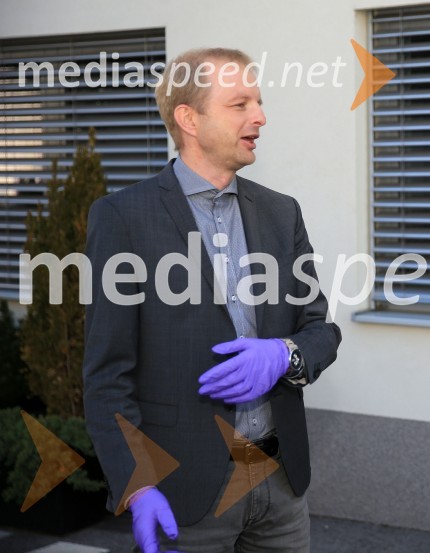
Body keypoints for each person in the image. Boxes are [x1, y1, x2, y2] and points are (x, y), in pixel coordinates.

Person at [83, 48, 341, 553]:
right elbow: (106, 375)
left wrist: (282, 355)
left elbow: (320, 330)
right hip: (184, 495)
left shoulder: (280, 212)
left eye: (260, 102)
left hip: (281, 487)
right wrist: (138, 485)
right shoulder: (122, 218)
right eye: (239, 104)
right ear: (189, 118)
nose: (260, 117)